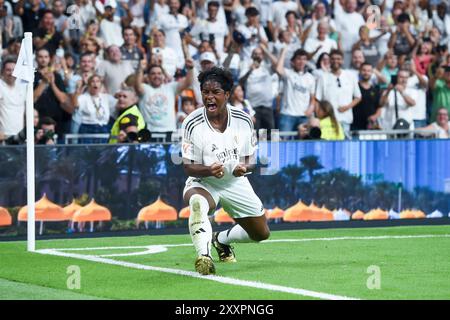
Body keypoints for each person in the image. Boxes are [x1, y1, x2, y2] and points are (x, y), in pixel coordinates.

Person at [181, 67, 269, 275]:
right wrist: (208, 170)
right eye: (205, 92)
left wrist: (243, 167)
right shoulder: (192, 123)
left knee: (260, 234)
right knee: (197, 203)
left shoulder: (243, 120)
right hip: (203, 182)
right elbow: (188, 166)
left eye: (215, 92)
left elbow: (250, 160)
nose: (209, 97)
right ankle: (204, 256)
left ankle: (220, 240)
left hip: (234, 182)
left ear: (227, 94)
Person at [135, 57, 194, 140]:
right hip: (149, 132)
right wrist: (140, 69)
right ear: (147, 76)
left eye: (159, 73)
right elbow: (137, 85)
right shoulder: (145, 88)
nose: (157, 76)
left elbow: (188, 83)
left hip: (169, 131)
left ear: (163, 75)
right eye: (153, 73)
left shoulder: (170, 87)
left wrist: (190, 69)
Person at [315, 49, 361, 134]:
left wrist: (347, 107)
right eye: (333, 59)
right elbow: (317, 99)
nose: (336, 61)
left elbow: (358, 97)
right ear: (329, 61)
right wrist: (319, 116)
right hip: (327, 121)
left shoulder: (350, 76)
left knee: (344, 146)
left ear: (342, 60)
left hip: (345, 119)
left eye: (338, 59)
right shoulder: (323, 77)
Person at [270, 47, 316, 132]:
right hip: (287, 115)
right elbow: (278, 70)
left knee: (303, 144)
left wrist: (311, 108)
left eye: (304, 59)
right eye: (299, 59)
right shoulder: (288, 73)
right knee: (284, 143)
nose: (301, 61)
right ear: (293, 61)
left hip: (303, 116)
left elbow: (312, 98)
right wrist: (283, 52)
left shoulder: (310, 77)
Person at [239, 46, 276, 131]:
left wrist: (266, 50)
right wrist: (250, 70)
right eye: (255, 54)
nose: (257, 56)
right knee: (256, 135)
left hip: (267, 106)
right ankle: (261, 145)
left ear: (263, 56)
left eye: (259, 54)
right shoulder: (246, 66)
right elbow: (241, 82)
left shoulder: (267, 66)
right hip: (253, 107)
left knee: (273, 134)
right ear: (251, 56)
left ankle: (274, 145)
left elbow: (277, 64)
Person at [72, 74, 115, 143]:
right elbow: (76, 105)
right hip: (88, 128)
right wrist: (77, 90)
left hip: (103, 128)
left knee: (103, 152)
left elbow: (118, 103)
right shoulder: (84, 97)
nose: (95, 83)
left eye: (98, 81)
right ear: (89, 85)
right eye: (93, 81)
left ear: (101, 84)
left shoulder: (106, 97)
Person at [0, 58, 27, 137]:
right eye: (8, 70)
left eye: (14, 70)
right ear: (2, 72)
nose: (11, 73)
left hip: (20, 136)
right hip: (4, 136)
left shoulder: (22, 85)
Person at [352, 63, 382, 130]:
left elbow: (379, 107)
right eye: (364, 70)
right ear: (359, 71)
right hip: (355, 126)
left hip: (371, 127)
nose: (366, 73)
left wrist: (375, 116)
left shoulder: (375, 89)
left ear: (371, 73)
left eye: (369, 71)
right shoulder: (354, 88)